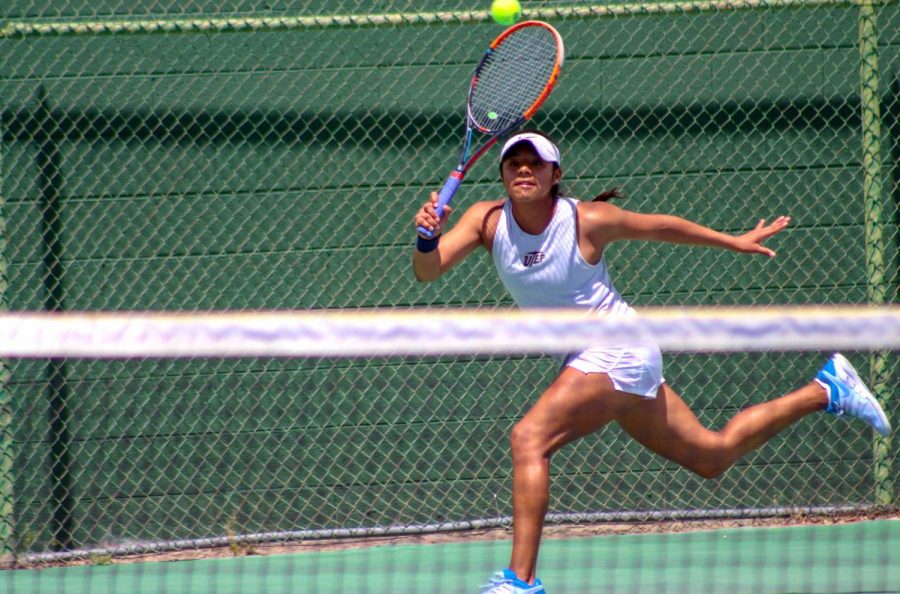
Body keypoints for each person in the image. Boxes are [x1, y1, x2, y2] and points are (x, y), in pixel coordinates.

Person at [412, 130, 891, 594]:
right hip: (586, 360)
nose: (523, 169)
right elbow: (427, 273)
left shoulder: (587, 220)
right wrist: (427, 240)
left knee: (529, 438)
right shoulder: (486, 220)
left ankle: (520, 582)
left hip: (619, 349)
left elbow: (659, 225)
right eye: (514, 162)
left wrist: (733, 240)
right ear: (502, 174)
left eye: (534, 162)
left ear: (555, 174)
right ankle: (826, 389)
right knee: (712, 455)